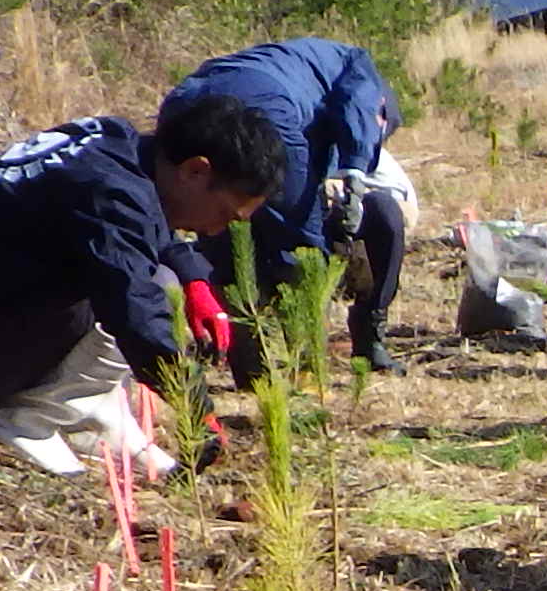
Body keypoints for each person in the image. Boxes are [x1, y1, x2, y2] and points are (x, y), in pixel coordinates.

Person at [0, 86, 281, 475]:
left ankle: (91, 411)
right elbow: (135, 309)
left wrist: (195, 280)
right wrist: (195, 406)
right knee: (147, 289)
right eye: (226, 214)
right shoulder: (112, 194)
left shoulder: (113, 143)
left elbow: (145, 226)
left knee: (160, 276)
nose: (214, 231)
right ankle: (27, 422)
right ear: (195, 170)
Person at [171, 35, 416, 370]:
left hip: (187, 99)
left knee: (217, 220)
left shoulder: (308, 75)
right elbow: (360, 111)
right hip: (262, 105)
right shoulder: (360, 71)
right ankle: (300, 358)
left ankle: (247, 359)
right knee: (300, 246)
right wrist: (355, 172)